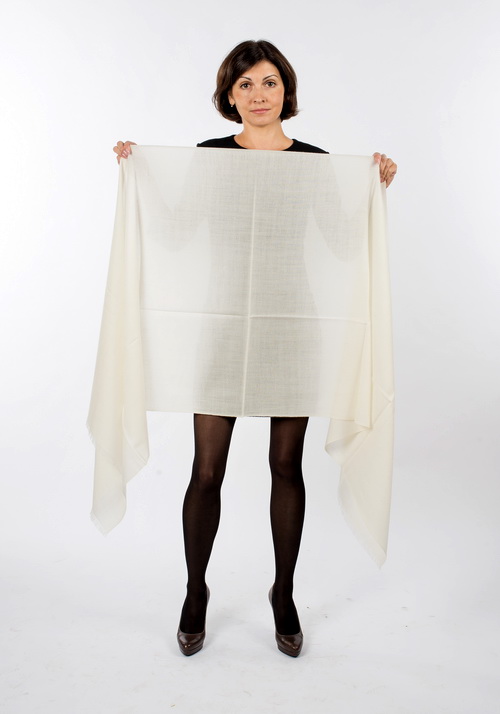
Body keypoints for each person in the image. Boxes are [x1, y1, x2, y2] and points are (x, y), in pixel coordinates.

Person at [113, 39, 397, 658]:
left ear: (285, 90)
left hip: (291, 324)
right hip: (222, 323)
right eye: (245, 85)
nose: (258, 95)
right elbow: (177, 231)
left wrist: (374, 187)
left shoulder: (313, 162)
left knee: (286, 466)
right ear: (230, 95)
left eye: (269, 82)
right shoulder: (212, 156)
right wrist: (140, 172)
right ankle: (195, 591)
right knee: (206, 469)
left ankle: (283, 592)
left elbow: (342, 243)